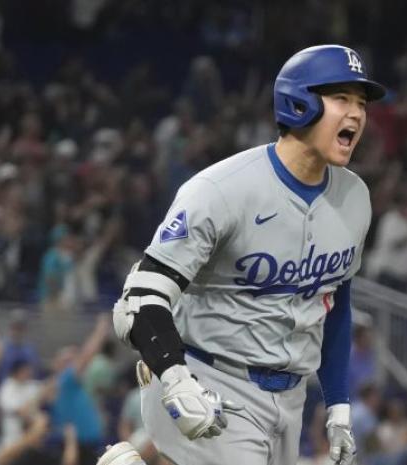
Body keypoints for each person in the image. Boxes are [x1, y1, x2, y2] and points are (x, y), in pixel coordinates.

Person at [99, 44, 385, 465]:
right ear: (299, 102)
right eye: (341, 98)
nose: (356, 114)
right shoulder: (221, 189)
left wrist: (338, 409)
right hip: (211, 381)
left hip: (290, 398)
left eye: (361, 103)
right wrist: (176, 379)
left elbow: (334, 302)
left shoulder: (355, 198)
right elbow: (140, 299)